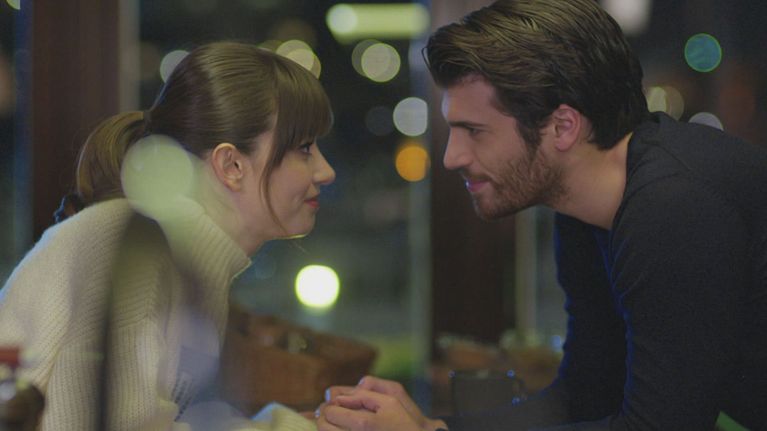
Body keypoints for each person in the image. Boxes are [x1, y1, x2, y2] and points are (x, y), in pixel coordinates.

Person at [317, 0, 767, 430]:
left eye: (474, 131)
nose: (452, 157)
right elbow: (585, 396)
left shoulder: (673, 202)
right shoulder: (585, 208)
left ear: (563, 126)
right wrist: (435, 426)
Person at [0, 41, 336, 430]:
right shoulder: (134, 248)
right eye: (304, 148)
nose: (325, 171)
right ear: (231, 165)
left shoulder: (187, 261)